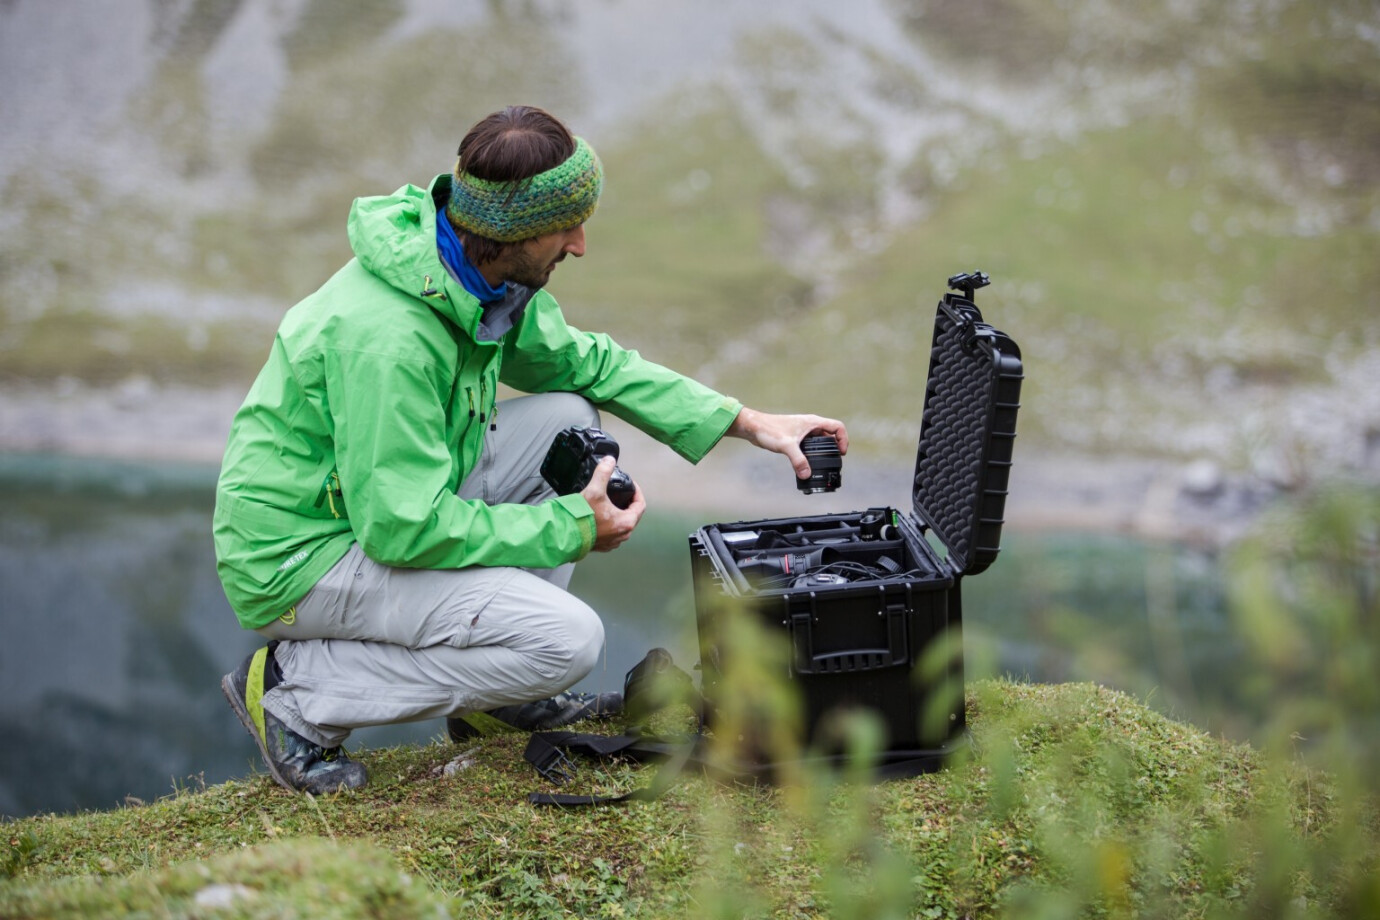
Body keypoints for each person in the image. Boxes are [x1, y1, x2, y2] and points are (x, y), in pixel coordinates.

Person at [215, 105, 848, 794]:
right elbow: (400, 527)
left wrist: (749, 422)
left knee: (567, 421)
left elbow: (589, 365)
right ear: (511, 232)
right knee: (567, 642)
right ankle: (298, 694)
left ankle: (499, 700)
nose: (579, 245)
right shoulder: (390, 340)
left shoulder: (477, 276)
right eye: (565, 227)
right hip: (302, 557)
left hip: (373, 504)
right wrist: (573, 525)